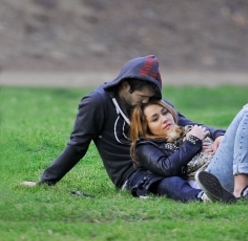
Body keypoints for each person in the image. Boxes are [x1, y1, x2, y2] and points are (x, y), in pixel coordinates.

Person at [22, 55, 230, 203]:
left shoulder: (149, 100)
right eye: (142, 97)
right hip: (135, 174)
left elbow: (184, 122)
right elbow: (77, 146)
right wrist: (46, 181)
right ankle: (202, 198)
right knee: (170, 181)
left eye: (151, 98)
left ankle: (241, 189)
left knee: (190, 169)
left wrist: (219, 134)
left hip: (167, 159)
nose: (146, 102)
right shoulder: (97, 103)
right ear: (125, 86)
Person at [130, 100, 248, 204]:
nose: (165, 119)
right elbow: (167, 168)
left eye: (165, 112)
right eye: (155, 118)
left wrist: (220, 138)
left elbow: (215, 131)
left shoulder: (185, 127)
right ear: (145, 128)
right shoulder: (145, 146)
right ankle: (241, 189)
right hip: (217, 181)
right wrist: (194, 141)